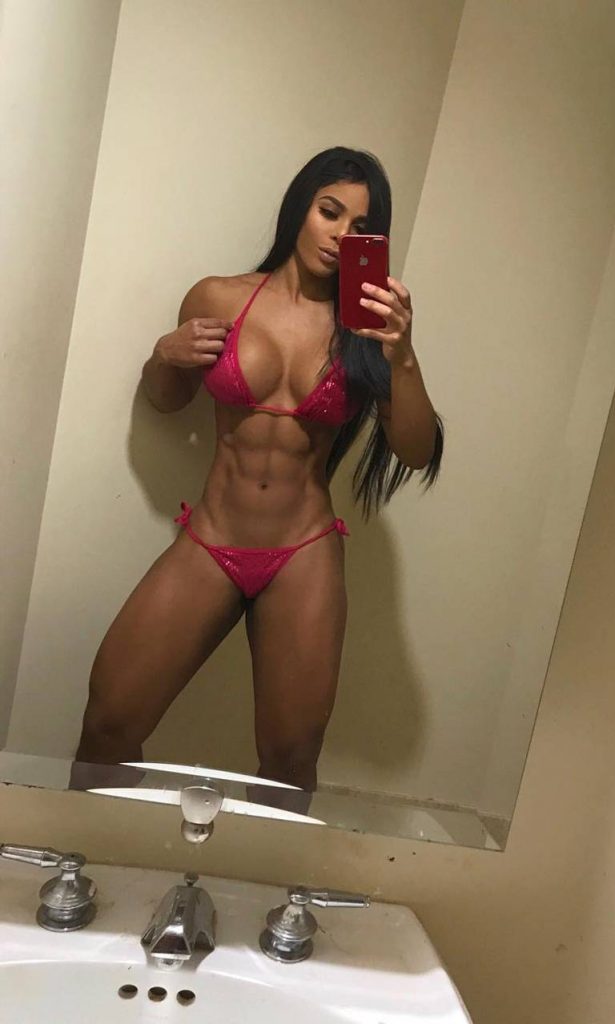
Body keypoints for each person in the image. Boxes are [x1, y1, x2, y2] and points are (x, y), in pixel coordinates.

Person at [71, 147, 443, 807]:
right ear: (301, 206)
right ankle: (90, 851)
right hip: (211, 538)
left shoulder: (367, 331)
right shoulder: (219, 296)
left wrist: (403, 356)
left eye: (360, 227)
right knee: (109, 719)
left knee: (290, 758)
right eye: (329, 211)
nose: (340, 234)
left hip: (303, 553)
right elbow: (167, 401)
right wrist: (164, 356)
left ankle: (270, 876)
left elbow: (414, 451)